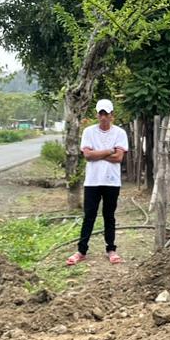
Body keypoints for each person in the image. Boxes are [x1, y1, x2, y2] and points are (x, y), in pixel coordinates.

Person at [67, 98, 129, 266]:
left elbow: (119, 158)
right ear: (97, 115)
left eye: (106, 114)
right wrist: (109, 151)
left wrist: (98, 154)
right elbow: (87, 155)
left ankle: (111, 249)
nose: (103, 117)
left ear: (112, 115)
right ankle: (81, 251)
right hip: (92, 181)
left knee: (109, 216)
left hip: (112, 181)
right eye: (100, 114)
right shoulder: (89, 132)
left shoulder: (119, 133)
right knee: (89, 216)